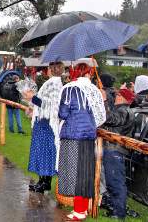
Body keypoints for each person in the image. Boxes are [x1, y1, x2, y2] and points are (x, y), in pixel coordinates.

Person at [57, 63, 106, 221]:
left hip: (73, 135)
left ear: (76, 72)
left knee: (74, 173)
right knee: (85, 172)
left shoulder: (70, 89)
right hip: (89, 137)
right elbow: (100, 117)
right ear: (88, 74)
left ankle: (78, 211)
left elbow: (63, 113)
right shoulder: (94, 91)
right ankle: (82, 209)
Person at [22, 62, 64, 194]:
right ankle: (43, 181)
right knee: (44, 152)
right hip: (44, 123)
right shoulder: (53, 83)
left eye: (49, 68)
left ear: (51, 70)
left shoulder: (54, 84)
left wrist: (32, 98)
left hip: (46, 124)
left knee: (44, 152)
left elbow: (50, 105)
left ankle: (44, 183)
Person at [100, 87, 136, 219]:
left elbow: (109, 118)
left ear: (121, 98)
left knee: (116, 182)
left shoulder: (124, 111)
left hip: (115, 151)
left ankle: (118, 213)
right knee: (112, 182)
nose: (115, 97)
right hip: (112, 150)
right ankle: (115, 210)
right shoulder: (123, 110)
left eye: (118, 95)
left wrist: (104, 101)